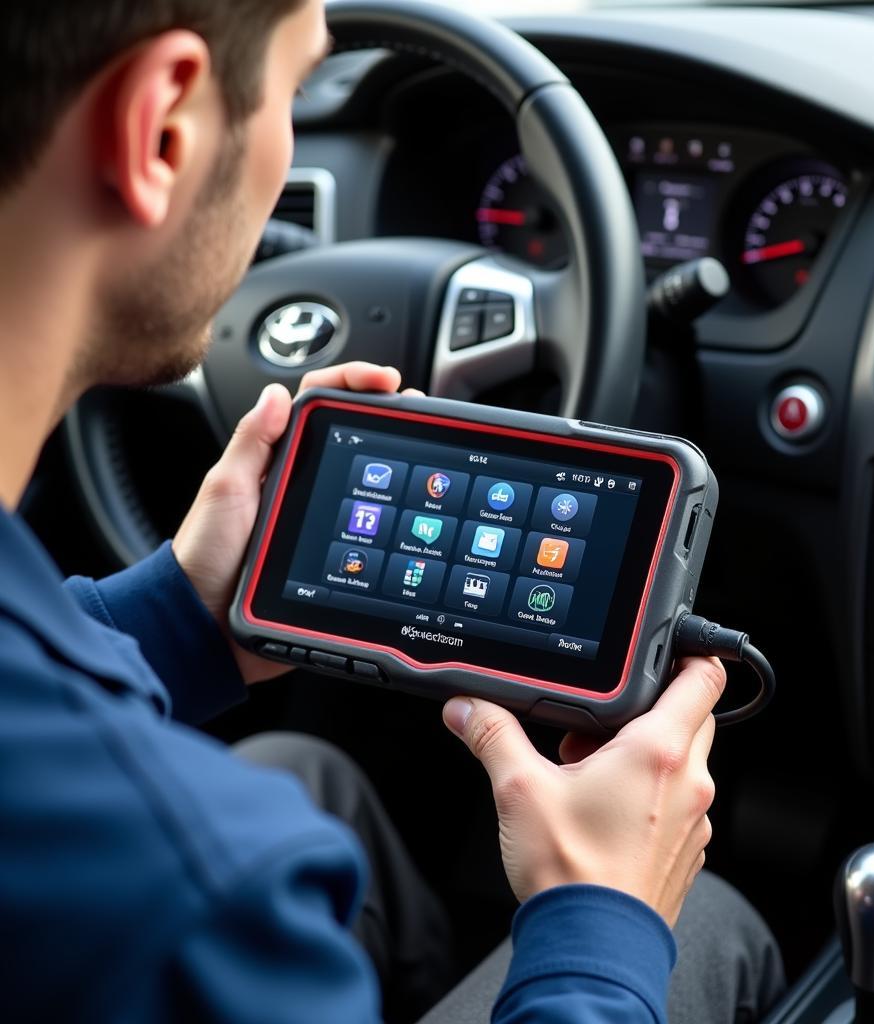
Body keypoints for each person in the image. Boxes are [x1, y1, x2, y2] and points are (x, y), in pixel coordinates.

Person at [0, 1, 785, 1021]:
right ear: (162, 126)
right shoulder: (205, 892)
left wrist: (178, 618)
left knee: (300, 772)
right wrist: (599, 921)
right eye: (294, 88)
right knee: (705, 917)